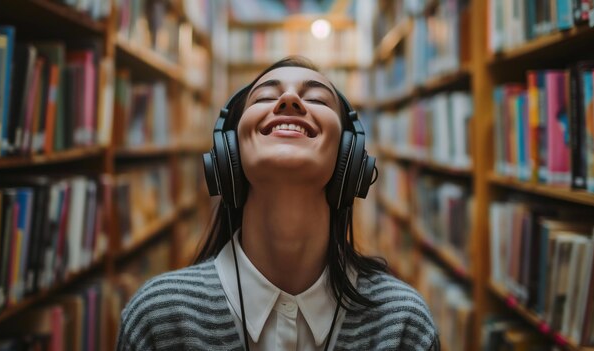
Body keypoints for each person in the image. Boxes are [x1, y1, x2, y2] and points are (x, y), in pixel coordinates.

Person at [116, 56, 440, 351]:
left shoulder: (403, 324)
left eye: (315, 98)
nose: (289, 100)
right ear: (227, 153)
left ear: (349, 160)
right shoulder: (157, 317)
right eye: (266, 97)